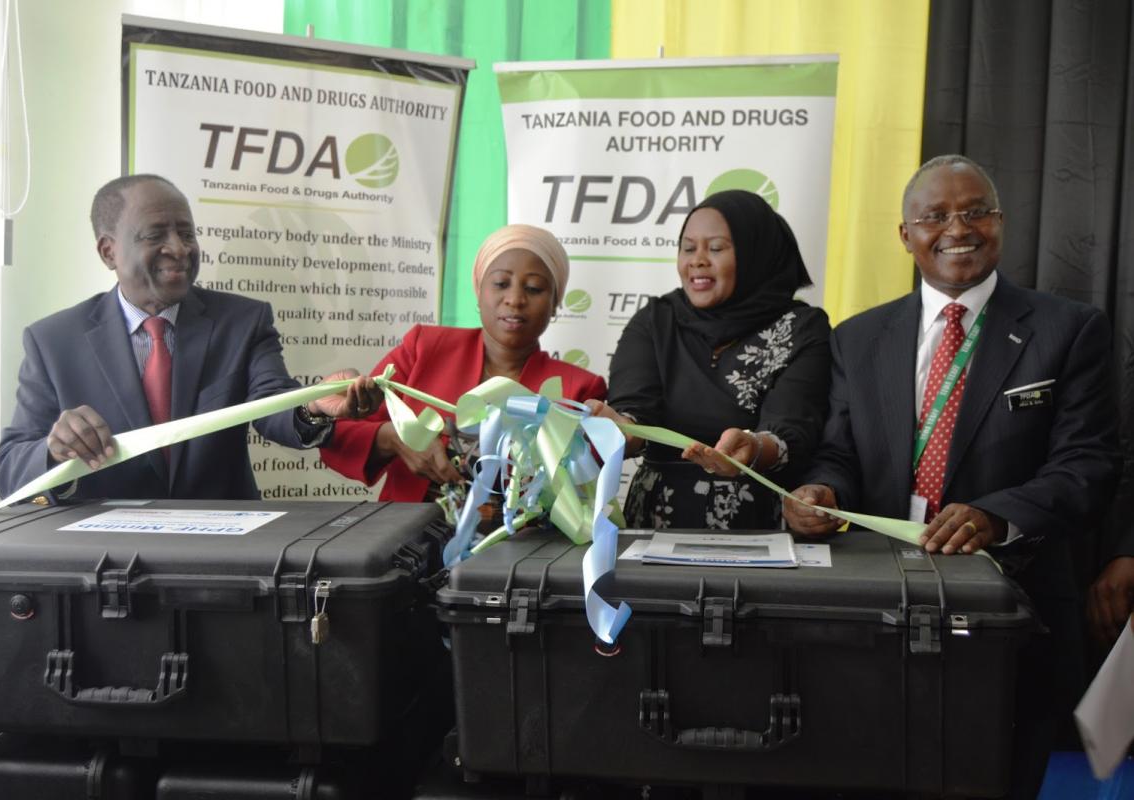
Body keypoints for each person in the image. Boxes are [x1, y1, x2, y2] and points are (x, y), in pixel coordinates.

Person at [783, 155, 1121, 799]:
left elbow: (1089, 466)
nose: (957, 227)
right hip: (875, 610)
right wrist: (820, 493)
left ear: (1001, 223)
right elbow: (841, 455)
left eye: (975, 211)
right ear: (905, 235)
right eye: (934, 215)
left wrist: (995, 515)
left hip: (1011, 617)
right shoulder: (858, 338)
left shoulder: (1068, 330)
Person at [0, 174, 378, 502]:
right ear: (109, 252)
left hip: (222, 562)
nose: (179, 248)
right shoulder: (54, 341)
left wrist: (311, 406)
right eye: (155, 234)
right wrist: (54, 451)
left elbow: (270, 402)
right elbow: (9, 468)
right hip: (104, 565)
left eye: (187, 232)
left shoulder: (242, 321)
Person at [587, 190, 831, 530]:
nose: (697, 260)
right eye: (688, 248)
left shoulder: (803, 328)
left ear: (754, 255)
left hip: (761, 524)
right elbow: (635, 410)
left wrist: (754, 448)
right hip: (655, 525)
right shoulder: (656, 321)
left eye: (715, 248)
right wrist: (619, 428)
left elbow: (793, 429)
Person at [320, 224, 607, 501]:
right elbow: (341, 431)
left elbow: (579, 492)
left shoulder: (578, 389)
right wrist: (394, 438)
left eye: (533, 288)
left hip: (521, 545)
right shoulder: (424, 348)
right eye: (500, 284)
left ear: (556, 302)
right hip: (405, 538)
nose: (515, 299)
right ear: (479, 291)